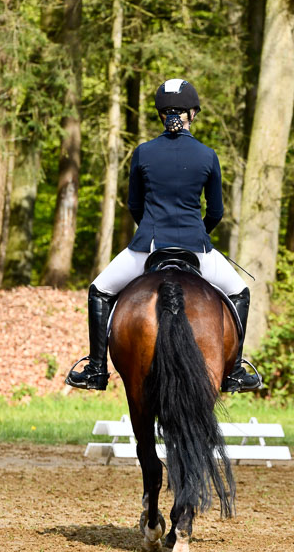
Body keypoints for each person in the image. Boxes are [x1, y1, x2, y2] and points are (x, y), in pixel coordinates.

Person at [66, 78, 261, 393]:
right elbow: (215, 212)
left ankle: (96, 369)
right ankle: (235, 371)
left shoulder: (143, 153)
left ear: (161, 114)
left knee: (99, 291)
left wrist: (149, 230)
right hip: (196, 249)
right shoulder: (207, 155)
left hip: (149, 246)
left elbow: (134, 205)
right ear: (192, 113)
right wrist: (199, 234)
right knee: (240, 292)